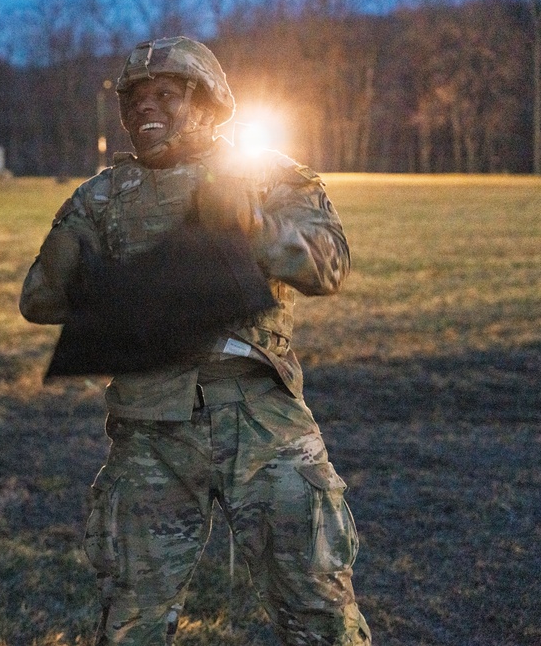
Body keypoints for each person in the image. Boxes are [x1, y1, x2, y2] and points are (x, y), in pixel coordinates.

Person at [19, 36, 371, 645]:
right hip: (150, 432)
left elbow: (328, 266)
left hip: (262, 420)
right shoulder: (101, 197)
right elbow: (38, 302)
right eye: (133, 99)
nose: (143, 109)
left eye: (165, 95)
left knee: (317, 606)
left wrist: (254, 227)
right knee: (131, 617)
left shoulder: (268, 176)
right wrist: (66, 263)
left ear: (208, 105)